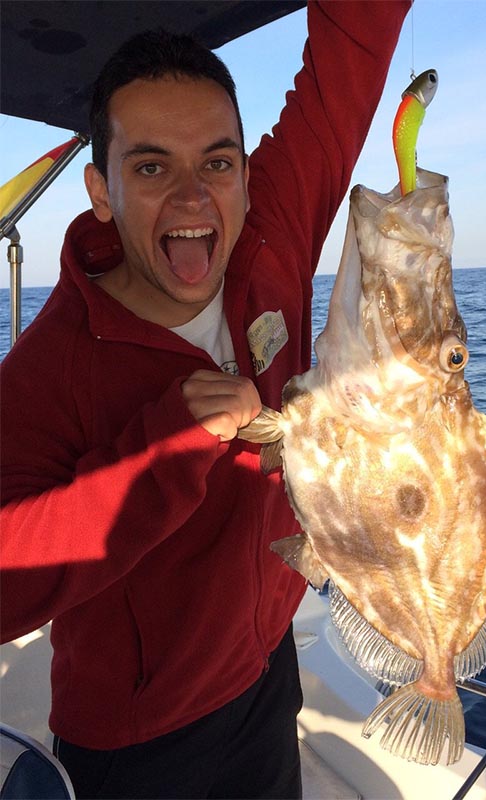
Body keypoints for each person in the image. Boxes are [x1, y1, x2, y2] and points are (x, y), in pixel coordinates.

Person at [0, 2, 411, 797]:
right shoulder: (47, 368)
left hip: (267, 667)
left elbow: (351, 56)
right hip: (140, 739)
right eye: (152, 167)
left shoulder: (270, 230)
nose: (194, 199)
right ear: (101, 189)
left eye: (217, 163)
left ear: (247, 175)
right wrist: (164, 450)